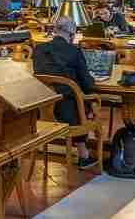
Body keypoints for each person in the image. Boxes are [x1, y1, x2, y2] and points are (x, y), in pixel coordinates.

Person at [32, 16, 97, 170]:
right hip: (70, 114)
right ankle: (83, 154)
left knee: (71, 98)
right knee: (82, 100)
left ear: (54, 31)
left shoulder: (39, 49)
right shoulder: (74, 52)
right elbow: (88, 85)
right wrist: (92, 79)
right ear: (72, 35)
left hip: (43, 110)